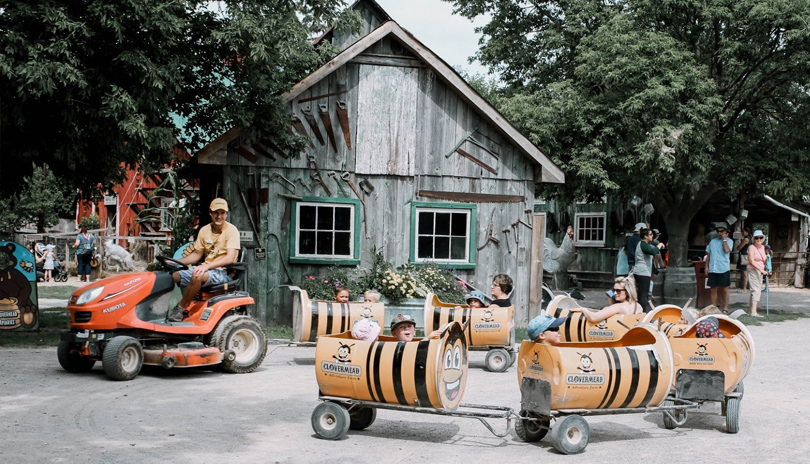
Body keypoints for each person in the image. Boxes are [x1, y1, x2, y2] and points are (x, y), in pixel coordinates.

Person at [168, 198, 240, 322]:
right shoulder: (204, 230)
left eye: (222, 213)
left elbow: (230, 258)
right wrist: (176, 262)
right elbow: (196, 254)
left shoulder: (231, 231)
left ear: (226, 214)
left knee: (198, 274)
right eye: (216, 213)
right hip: (207, 269)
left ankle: (180, 308)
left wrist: (206, 266)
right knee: (172, 276)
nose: (219, 216)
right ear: (210, 213)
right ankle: (158, 311)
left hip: (223, 272)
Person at [567, 276, 643, 323]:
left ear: (627, 292)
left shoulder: (618, 307)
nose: (615, 293)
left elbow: (593, 318)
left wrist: (582, 309)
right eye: (614, 290)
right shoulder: (638, 306)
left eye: (618, 291)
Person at [633, 228, 665, 313]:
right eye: (650, 234)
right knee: (643, 294)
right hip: (642, 273)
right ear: (645, 236)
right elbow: (654, 251)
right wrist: (660, 245)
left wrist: (655, 271)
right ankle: (642, 312)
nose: (652, 236)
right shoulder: (643, 244)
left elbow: (649, 260)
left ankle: (640, 310)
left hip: (643, 272)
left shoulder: (645, 245)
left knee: (642, 294)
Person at [705, 221, 733, 313]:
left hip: (723, 268)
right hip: (713, 268)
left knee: (725, 288)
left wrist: (724, 239)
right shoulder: (713, 241)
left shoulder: (729, 241)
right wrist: (706, 266)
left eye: (722, 231)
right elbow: (708, 254)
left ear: (726, 233)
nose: (719, 233)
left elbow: (726, 250)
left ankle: (725, 307)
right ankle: (714, 307)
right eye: (718, 231)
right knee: (713, 288)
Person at [746, 230, 768, 317]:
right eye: (756, 238)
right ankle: (753, 312)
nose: (759, 239)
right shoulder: (751, 247)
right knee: (756, 290)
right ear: (753, 239)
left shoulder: (763, 247)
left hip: (761, 270)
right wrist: (761, 270)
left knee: (756, 289)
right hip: (753, 270)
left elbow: (764, 259)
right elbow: (751, 261)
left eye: (760, 237)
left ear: (763, 239)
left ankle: (751, 310)